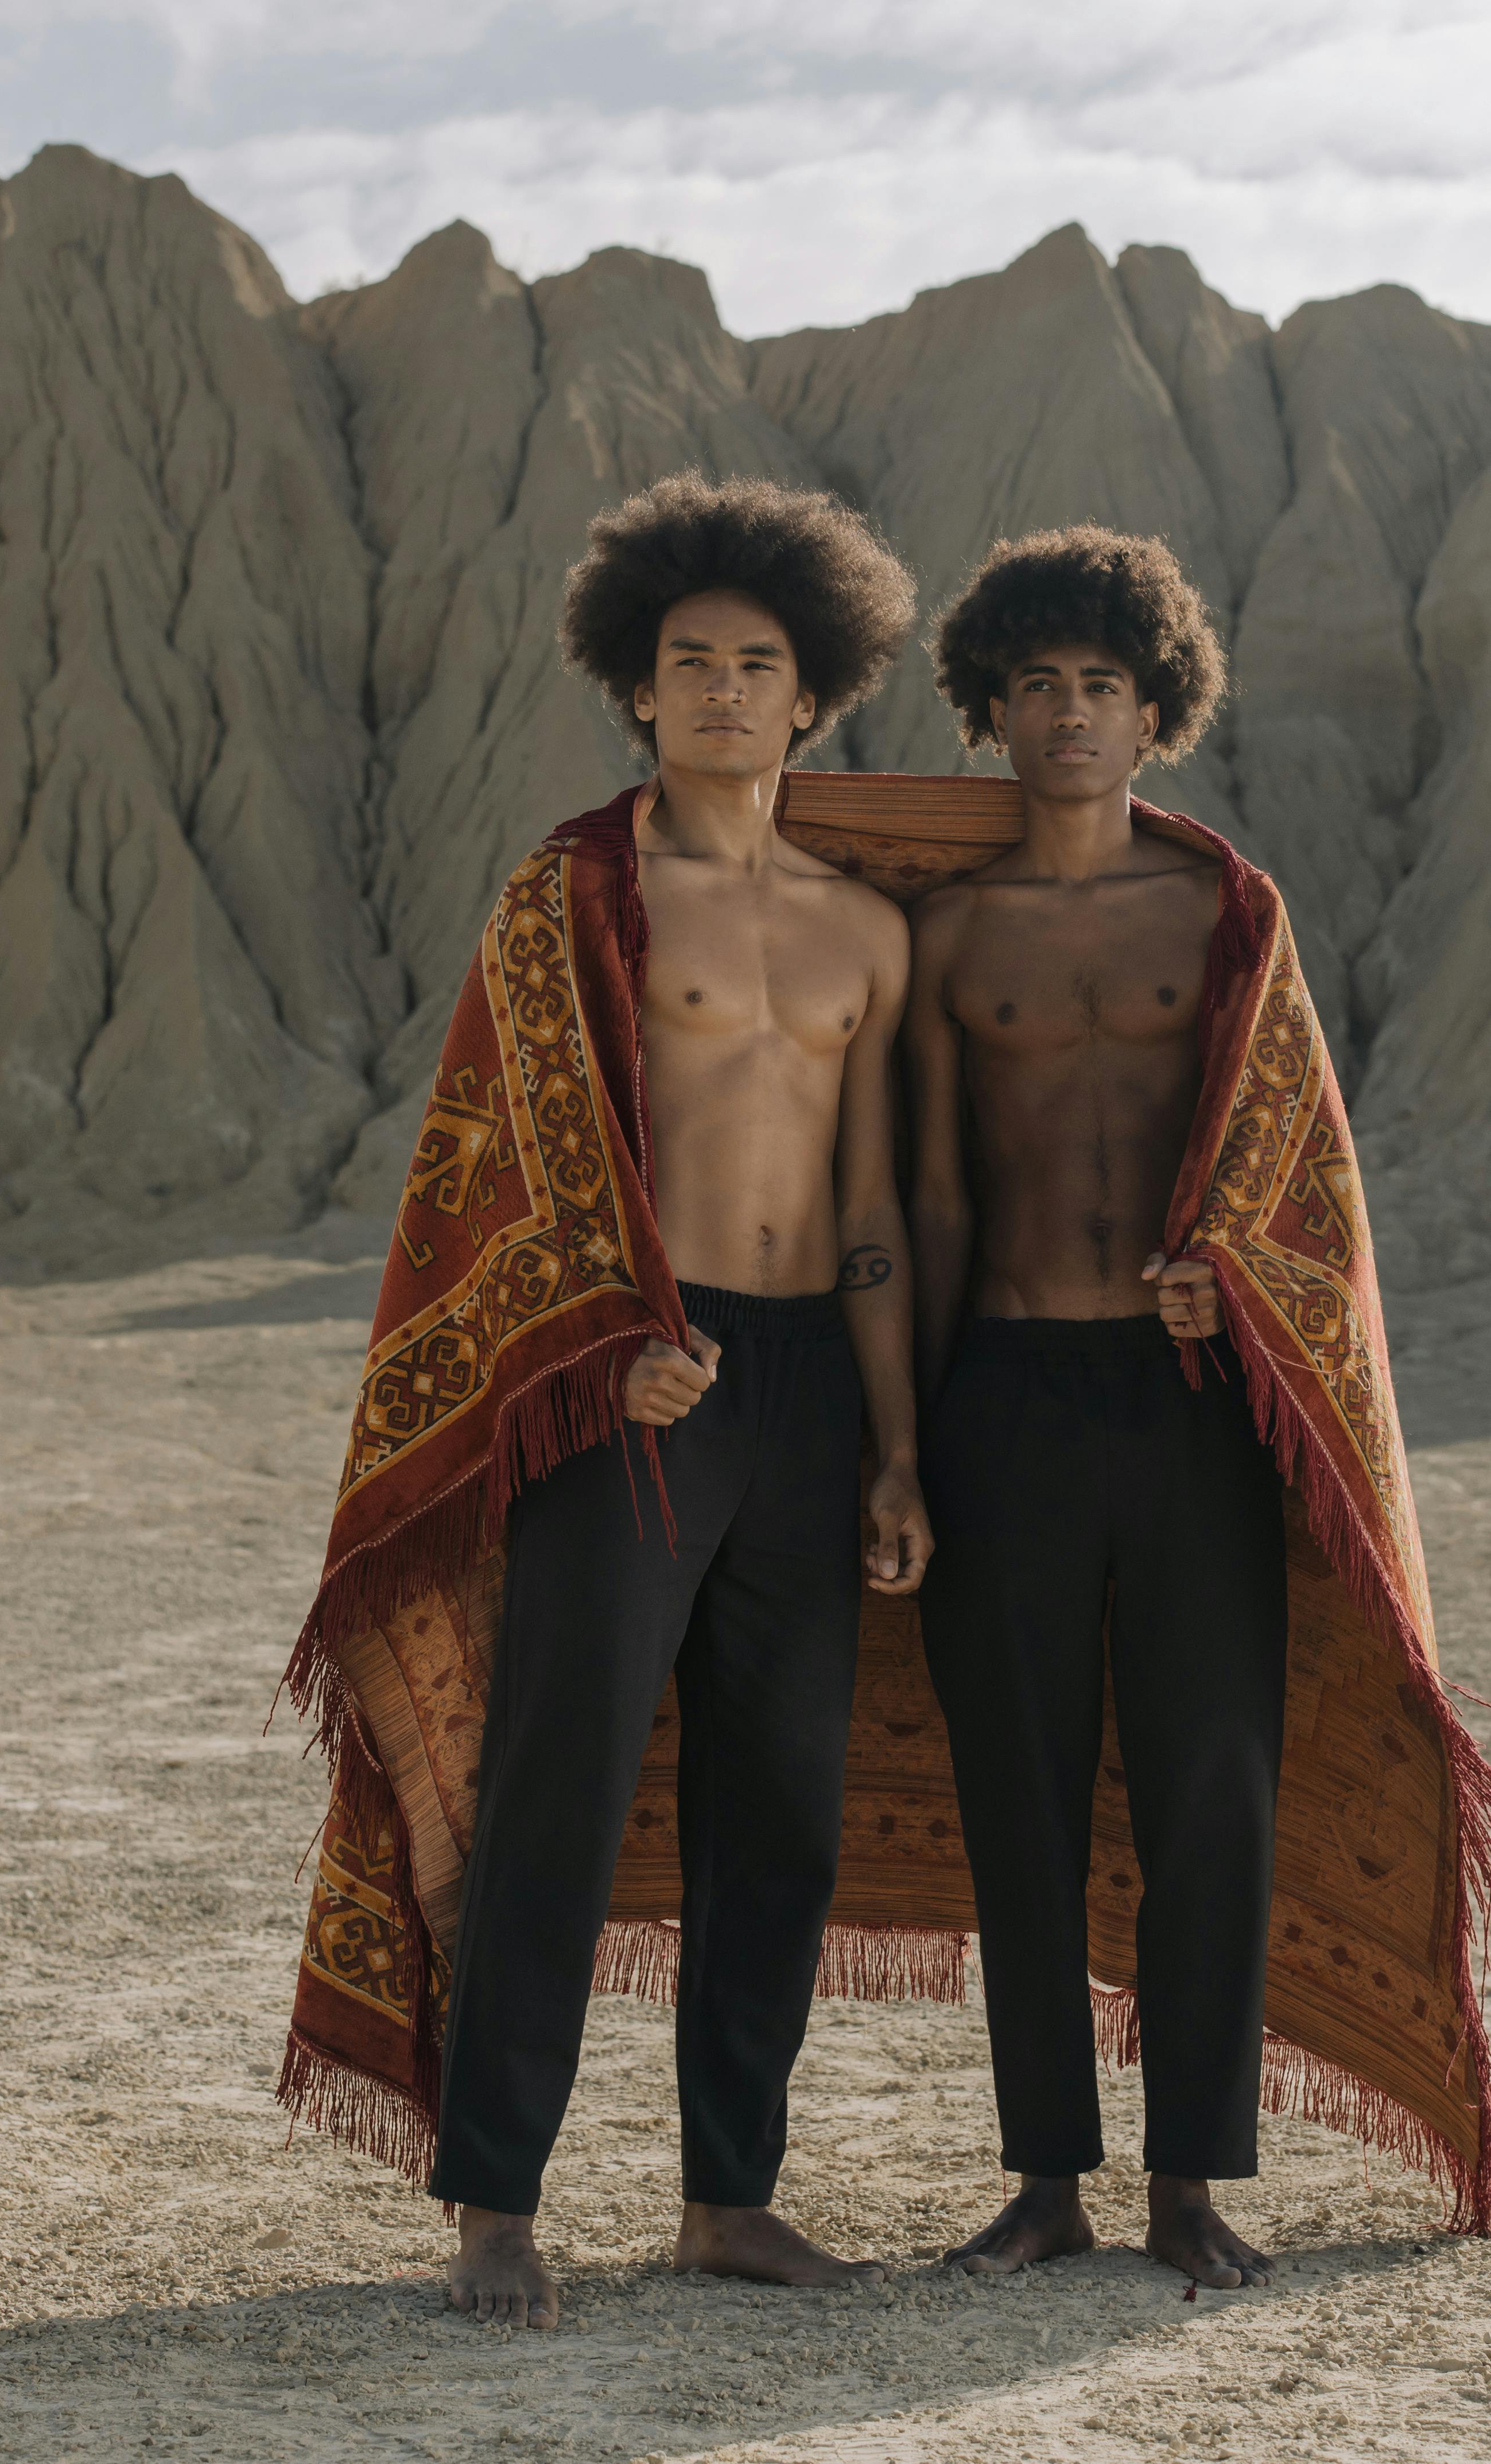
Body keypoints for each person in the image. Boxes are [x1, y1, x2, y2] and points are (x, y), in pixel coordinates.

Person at [422, 474, 934, 2330]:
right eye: (690, 663)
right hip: (639, 1380)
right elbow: (502, 1167)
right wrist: (591, 1345)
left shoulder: (864, 930)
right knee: (560, 1784)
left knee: (776, 1807)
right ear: (637, 691)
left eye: (761, 665)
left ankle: (732, 2197)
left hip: (806, 1385)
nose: (725, 689)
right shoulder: (576, 889)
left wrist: (891, 1445)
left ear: (817, 697)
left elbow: (875, 1209)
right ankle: (495, 2199)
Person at [902, 526, 1282, 2290]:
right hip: (1008, 1392)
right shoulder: (946, 933)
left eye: (1103, 687)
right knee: (1022, 1794)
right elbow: (924, 1210)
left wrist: (1239, 1284)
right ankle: (1048, 2177)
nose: (1069, 713)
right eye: (1037, 685)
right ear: (990, 710)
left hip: (1190, 1400)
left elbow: (1299, 1182)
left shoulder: (1223, 915)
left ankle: (1192, 2183)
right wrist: (903, 1444)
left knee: (1213, 1780)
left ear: (1157, 713)